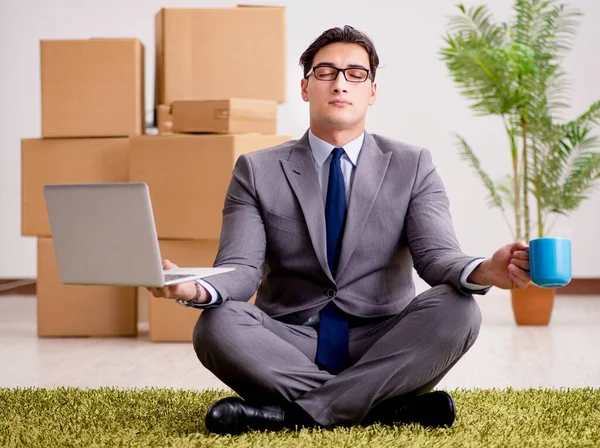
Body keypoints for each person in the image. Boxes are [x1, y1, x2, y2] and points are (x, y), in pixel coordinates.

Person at [148, 25, 531, 435]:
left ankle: (291, 416)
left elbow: (437, 258)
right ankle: (383, 408)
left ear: (372, 91)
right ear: (305, 87)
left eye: (355, 74)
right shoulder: (256, 170)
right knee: (216, 324)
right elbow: (240, 270)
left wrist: (486, 270)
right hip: (290, 341)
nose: (340, 83)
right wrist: (192, 287)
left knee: (459, 310)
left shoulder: (412, 164)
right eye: (326, 72)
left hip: (382, 342)